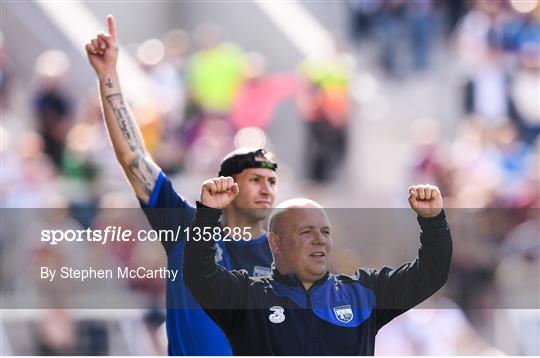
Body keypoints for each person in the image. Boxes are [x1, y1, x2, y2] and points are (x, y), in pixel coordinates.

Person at [85, 15, 278, 355]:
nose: (266, 189)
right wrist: (108, 76)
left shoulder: (284, 255)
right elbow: (134, 160)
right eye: (255, 179)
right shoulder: (184, 228)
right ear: (229, 186)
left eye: (271, 181)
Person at [184, 180, 452, 355]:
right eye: (306, 232)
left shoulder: (362, 294)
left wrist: (433, 222)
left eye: (325, 231)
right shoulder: (247, 297)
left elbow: (431, 273)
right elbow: (199, 273)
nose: (320, 240)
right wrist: (208, 214)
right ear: (275, 243)